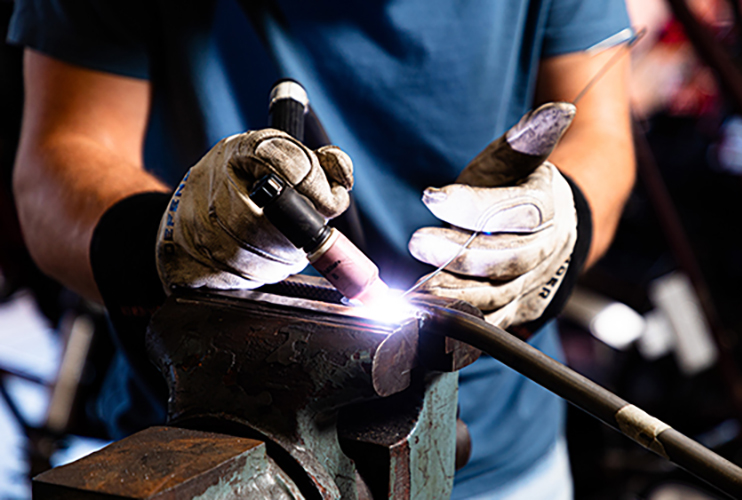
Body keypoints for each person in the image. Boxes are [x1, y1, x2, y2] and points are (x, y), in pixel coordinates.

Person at [8, 1, 635, 498]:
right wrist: (172, 236)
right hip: (205, 436)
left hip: (496, 453)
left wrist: (559, 225)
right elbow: (53, 168)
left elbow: (603, 133)